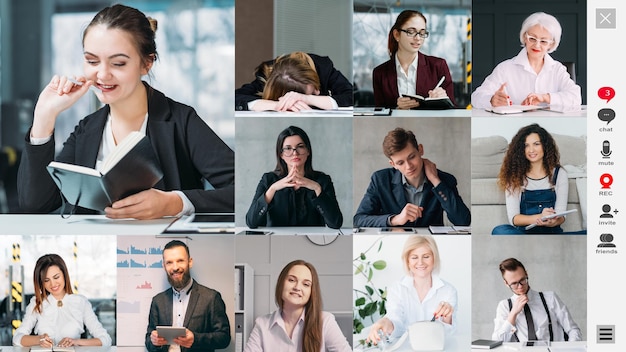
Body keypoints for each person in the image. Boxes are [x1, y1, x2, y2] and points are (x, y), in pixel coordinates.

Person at [17, 4, 234, 219]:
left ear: (146, 63)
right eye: (92, 61)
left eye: (118, 63)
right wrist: (44, 116)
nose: (102, 74)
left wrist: (175, 203)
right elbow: (36, 205)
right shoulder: (87, 129)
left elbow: (245, 190)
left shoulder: (181, 121)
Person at [353, 127, 470, 227]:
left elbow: (463, 221)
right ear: (393, 164)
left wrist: (435, 181)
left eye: (412, 157)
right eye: (400, 163)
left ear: (420, 150)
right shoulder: (380, 180)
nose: (408, 166)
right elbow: (359, 219)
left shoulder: (444, 180)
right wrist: (395, 219)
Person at [471, 12, 581, 109]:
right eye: (532, 38)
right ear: (524, 37)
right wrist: (491, 100)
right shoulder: (505, 68)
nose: (537, 45)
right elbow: (476, 97)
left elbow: (576, 98)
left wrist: (545, 97)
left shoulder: (557, 69)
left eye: (543, 41)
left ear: (551, 44)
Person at [246, 126, 343, 229]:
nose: (295, 153)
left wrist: (317, 188)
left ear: (308, 151)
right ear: (281, 155)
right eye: (288, 148)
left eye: (300, 147)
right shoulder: (268, 180)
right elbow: (251, 222)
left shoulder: (322, 180)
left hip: (312, 241)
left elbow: (335, 223)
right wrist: (273, 189)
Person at [366, 235, 457, 346]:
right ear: (408, 261)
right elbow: (396, 321)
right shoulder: (396, 289)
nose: (420, 262)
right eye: (414, 257)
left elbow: (449, 333)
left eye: (426, 256)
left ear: (434, 258)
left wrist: (447, 316)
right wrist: (385, 322)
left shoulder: (448, 291)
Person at [244, 259, 351, 352]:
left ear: (311, 292)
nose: (297, 287)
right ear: (281, 283)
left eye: (306, 284)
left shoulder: (325, 321)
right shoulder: (262, 324)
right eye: (291, 280)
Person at [146, 240, 230, 352]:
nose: (175, 267)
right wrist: (154, 342)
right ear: (164, 266)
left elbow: (224, 338)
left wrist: (196, 339)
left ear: (190, 262)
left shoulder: (211, 298)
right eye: (169, 262)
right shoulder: (158, 301)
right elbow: (148, 340)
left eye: (180, 261)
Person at [12, 254, 112, 348]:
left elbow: (106, 340)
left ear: (64, 275)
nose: (53, 284)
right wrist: (39, 339)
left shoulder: (80, 302)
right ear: (41, 282)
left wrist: (76, 342)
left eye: (56, 277)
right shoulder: (37, 303)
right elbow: (17, 338)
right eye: (46, 280)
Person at [492, 124, 568, 234]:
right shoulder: (514, 175)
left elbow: (562, 215)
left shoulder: (559, 174)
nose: (531, 150)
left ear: (545, 146)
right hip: (524, 236)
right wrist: (540, 217)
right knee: (499, 231)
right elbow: (514, 219)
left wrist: (552, 221)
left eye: (536, 144)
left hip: (552, 234)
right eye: (526, 146)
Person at [372, 10, 456, 109]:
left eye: (422, 33)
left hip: (430, 124)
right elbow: (380, 114)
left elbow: (453, 110)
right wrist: (397, 109)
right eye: (411, 32)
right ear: (397, 35)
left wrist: (444, 100)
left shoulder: (438, 66)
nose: (418, 38)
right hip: (396, 124)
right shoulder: (380, 73)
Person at [492, 258, 581, 342]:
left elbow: (573, 330)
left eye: (522, 280)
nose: (520, 286)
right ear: (506, 283)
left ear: (526, 274)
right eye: (514, 283)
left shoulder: (550, 298)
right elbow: (498, 341)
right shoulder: (504, 306)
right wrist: (513, 314)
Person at [235, 51, 353, 111]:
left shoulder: (322, 68)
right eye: (311, 93)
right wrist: (278, 105)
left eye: (315, 87)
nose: (318, 92)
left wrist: (307, 98)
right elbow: (235, 98)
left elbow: (351, 97)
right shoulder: (266, 76)